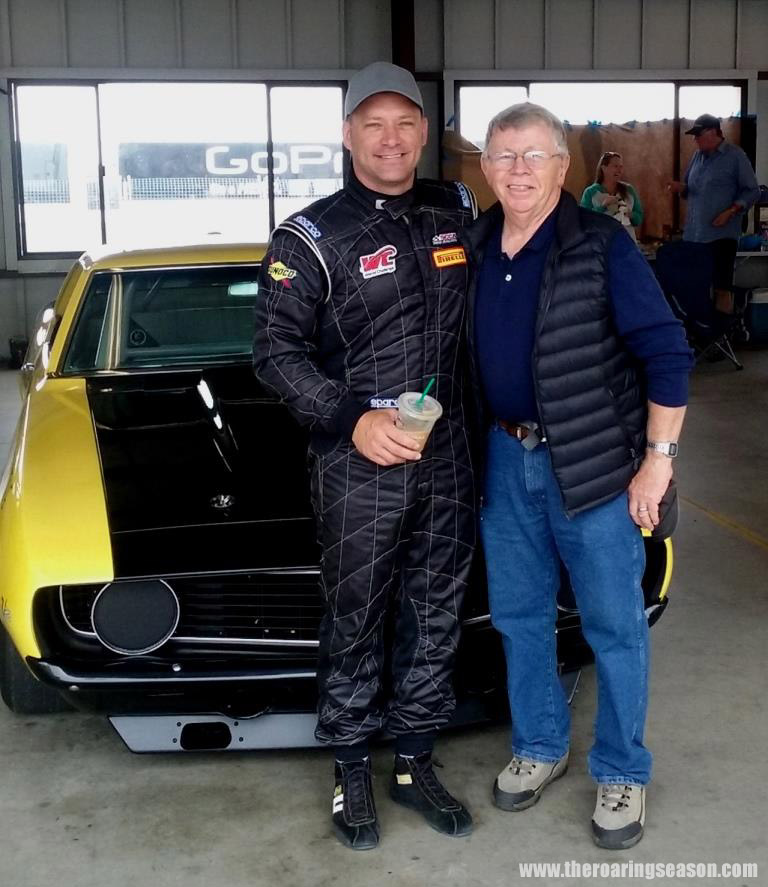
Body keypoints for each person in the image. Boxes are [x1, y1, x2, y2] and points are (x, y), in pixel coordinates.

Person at [253, 62, 478, 851]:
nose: (391, 138)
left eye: (405, 122)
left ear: (423, 131)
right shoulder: (309, 236)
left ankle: (414, 758)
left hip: (448, 453)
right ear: (347, 134)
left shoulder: (456, 209)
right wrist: (351, 419)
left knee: (436, 607)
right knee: (357, 614)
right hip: (357, 461)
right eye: (373, 124)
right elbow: (274, 353)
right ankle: (350, 763)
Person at [463, 103, 693, 850]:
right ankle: (539, 743)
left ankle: (622, 768)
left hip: (593, 467)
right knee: (519, 615)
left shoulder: (600, 243)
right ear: (486, 167)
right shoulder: (476, 245)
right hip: (505, 458)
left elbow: (668, 352)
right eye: (504, 155)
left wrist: (657, 462)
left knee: (613, 625)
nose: (518, 169)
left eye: (534, 155)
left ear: (563, 166)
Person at [668, 113, 760, 309]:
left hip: (721, 237)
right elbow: (690, 189)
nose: (695, 139)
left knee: (721, 288)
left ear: (713, 132)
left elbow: (753, 191)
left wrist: (731, 211)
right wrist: (680, 188)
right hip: (694, 236)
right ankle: (699, 327)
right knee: (695, 286)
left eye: (698, 135)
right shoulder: (697, 157)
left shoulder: (735, 156)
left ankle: (723, 328)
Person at [580, 152, 643, 241]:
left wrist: (631, 214)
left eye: (621, 167)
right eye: (615, 166)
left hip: (627, 242)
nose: (619, 170)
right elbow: (584, 220)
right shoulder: (590, 192)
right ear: (604, 168)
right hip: (601, 242)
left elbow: (639, 219)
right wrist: (603, 206)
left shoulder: (629, 190)